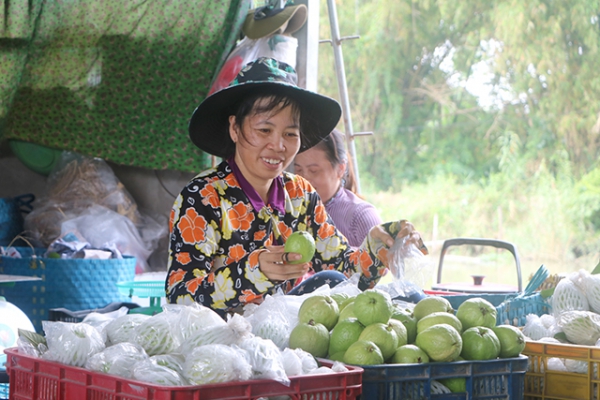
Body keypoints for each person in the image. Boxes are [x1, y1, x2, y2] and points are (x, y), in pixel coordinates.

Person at [165, 57, 425, 316]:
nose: (279, 146)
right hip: (224, 341)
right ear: (235, 128)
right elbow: (180, 296)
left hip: (290, 336)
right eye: (265, 130)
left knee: (406, 296)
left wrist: (379, 245)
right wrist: (254, 271)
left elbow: (347, 275)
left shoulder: (300, 194)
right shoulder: (202, 197)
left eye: (290, 134)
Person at [293, 129, 382, 247]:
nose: (304, 179)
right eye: (298, 170)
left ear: (340, 169)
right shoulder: (290, 210)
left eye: (314, 171)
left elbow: (383, 263)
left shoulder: (361, 216)